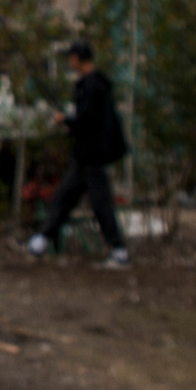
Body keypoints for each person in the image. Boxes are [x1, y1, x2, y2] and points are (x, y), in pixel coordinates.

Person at [26, 39, 130, 268]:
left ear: (79, 59)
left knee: (99, 204)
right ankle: (40, 241)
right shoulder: (90, 84)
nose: (69, 61)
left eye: (71, 57)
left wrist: (67, 120)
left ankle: (119, 250)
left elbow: (88, 118)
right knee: (64, 198)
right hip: (85, 154)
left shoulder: (93, 85)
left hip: (92, 155)